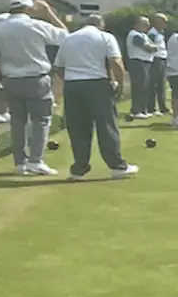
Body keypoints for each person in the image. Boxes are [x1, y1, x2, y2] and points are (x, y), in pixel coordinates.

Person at [0, 0, 68, 176]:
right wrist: (49, 13)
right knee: (41, 120)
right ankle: (35, 161)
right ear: (29, 9)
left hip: (10, 80)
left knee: (17, 122)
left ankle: (20, 163)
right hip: (35, 78)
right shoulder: (36, 25)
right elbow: (65, 36)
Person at [55, 13, 138, 181]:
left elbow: (58, 67)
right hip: (97, 84)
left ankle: (79, 169)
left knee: (77, 128)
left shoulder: (69, 38)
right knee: (106, 125)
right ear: (101, 25)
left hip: (72, 85)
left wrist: (73, 80)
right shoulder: (105, 37)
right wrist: (120, 84)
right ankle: (117, 166)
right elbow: (116, 62)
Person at [125, 15, 159, 120]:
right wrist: (152, 48)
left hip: (145, 62)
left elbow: (154, 46)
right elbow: (148, 47)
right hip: (138, 62)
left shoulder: (143, 35)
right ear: (138, 24)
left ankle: (143, 110)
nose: (148, 26)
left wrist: (153, 47)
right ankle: (136, 110)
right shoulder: (134, 35)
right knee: (139, 86)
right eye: (145, 24)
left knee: (145, 86)